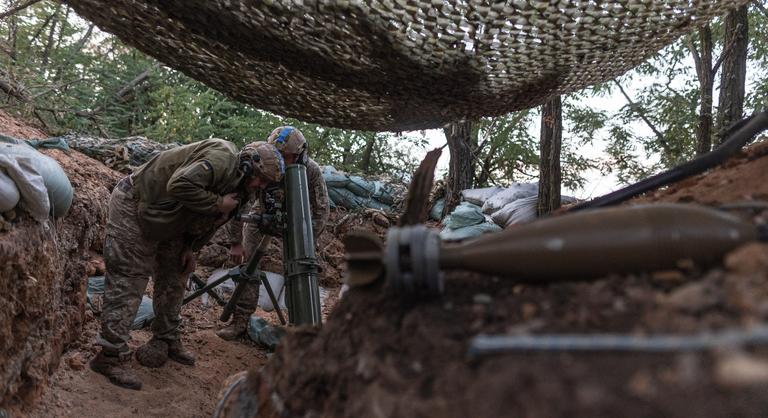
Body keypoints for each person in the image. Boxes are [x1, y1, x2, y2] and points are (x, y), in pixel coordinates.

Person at [89, 139, 285, 390]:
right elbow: (179, 184)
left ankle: (166, 338)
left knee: (176, 275)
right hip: (136, 203)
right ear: (247, 166)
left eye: (266, 183)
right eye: (260, 178)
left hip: (171, 217)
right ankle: (109, 355)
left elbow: (213, 220)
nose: (261, 186)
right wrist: (217, 203)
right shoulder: (222, 158)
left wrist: (191, 248)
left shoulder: (244, 188)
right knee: (130, 278)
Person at [217, 126, 329, 340]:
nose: (279, 160)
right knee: (248, 268)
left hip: (298, 219)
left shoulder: (311, 171)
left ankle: (300, 326)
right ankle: (240, 322)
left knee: (298, 270)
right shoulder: (264, 161)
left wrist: (306, 238)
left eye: (284, 157)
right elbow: (239, 201)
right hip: (263, 213)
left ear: (298, 155)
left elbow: (321, 209)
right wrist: (235, 242)